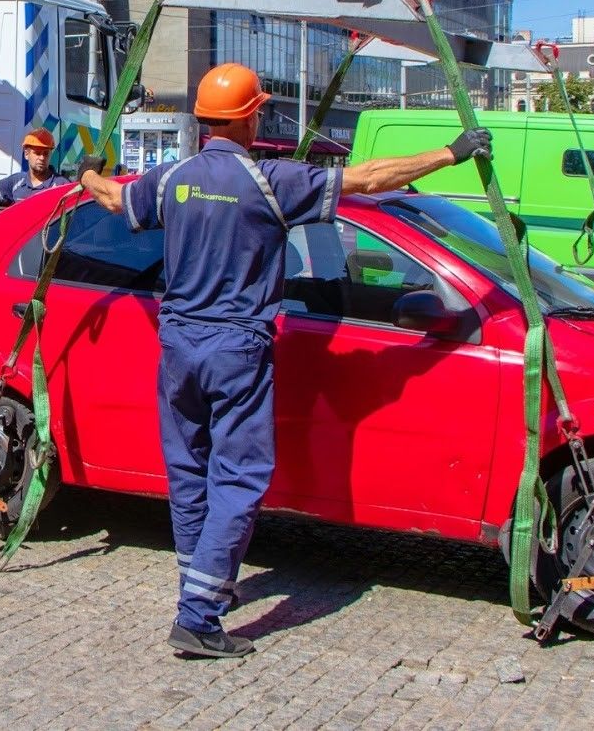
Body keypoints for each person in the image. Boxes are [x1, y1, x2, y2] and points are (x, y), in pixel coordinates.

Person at [78, 62, 491, 660]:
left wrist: (89, 172)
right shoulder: (270, 182)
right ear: (251, 116)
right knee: (239, 477)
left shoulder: (171, 180)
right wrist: (451, 153)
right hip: (235, 347)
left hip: (179, 345)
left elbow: (114, 198)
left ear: (202, 117)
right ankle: (197, 616)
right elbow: (371, 178)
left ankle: (204, 588)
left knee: (190, 472)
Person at [0, 127, 73, 203]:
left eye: (46, 153)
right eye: (37, 153)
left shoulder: (61, 185)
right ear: (26, 154)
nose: (42, 158)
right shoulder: (17, 181)